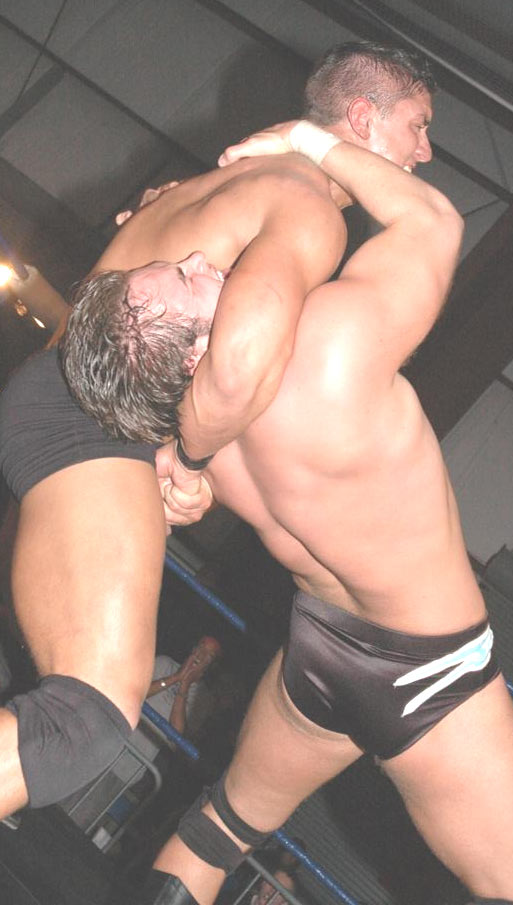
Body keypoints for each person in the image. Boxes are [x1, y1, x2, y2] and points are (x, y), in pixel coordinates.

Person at [66, 127, 513, 904]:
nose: (203, 259)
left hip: (317, 659)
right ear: (193, 354)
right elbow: (433, 222)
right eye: (189, 277)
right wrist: (310, 139)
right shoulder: (329, 345)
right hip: (429, 674)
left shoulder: (178, 441)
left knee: (217, 831)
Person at [0, 42, 433, 828]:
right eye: (416, 125)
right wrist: (190, 457)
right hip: (90, 419)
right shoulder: (306, 208)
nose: (425, 151)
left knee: (76, 713)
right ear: (362, 119)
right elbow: (234, 367)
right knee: (85, 716)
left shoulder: (237, 177)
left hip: (71, 398)